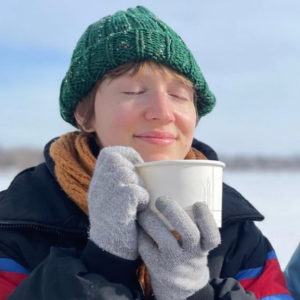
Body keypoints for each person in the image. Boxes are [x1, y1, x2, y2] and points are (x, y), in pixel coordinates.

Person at [0, 6, 293, 300]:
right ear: (84, 115)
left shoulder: (235, 231)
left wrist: (193, 292)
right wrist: (102, 266)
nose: (163, 113)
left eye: (179, 95)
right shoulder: (16, 222)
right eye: (133, 91)